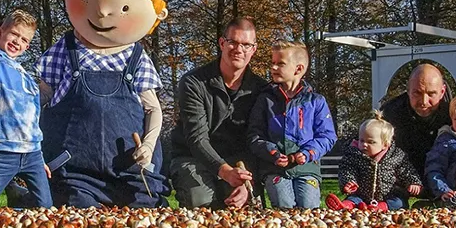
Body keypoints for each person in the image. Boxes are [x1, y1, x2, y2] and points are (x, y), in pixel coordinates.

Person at [38, 0, 180, 207]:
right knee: (75, 218)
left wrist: (149, 146)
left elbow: (153, 109)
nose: (102, 12)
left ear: (157, 13)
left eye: (125, 5)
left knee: (145, 217)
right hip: (73, 171)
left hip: (132, 171)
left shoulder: (137, 59)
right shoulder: (64, 51)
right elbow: (41, 98)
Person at [169, 18, 269, 208]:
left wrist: (248, 183)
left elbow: (257, 141)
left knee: (246, 206)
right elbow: (197, 138)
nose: (239, 49)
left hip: (239, 162)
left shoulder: (261, 89)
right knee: (201, 203)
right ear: (222, 43)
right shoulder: (193, 83)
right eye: (233, 42)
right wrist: (225, 173)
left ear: (253, 49)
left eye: (246, 45)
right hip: (192, 157)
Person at [0, 7, 52, 208]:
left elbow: (33, 117)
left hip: (32, 153)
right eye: (14, 34)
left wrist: (41, 157)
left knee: (45, 208)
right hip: (4, 151)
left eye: (24, 40)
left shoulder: (27, 77)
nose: (17, 41)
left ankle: (18, 197)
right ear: (0, 33)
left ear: (28, 47)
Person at [247, 41, 335, 209]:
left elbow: (327, 136)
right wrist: (271, 152)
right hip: (275, 168)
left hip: (307, 167)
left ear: (298, 69)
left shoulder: (316, 101)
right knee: (283, 204)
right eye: (272, 63)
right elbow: (255, 135)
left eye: (280, 64)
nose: (273, 68)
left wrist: (309, 152)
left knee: (309, 206)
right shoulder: (265, 100)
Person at [326, 111, 423, 210]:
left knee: (399, 202)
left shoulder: (395, 156)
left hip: (388, 195)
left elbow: (406, 171)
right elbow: (346, 170)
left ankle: (379, 207)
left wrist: (414, 182)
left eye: (371, 142)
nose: (364, 145)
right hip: (362, 195)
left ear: (385, 144)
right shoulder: (354, 156)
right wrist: (348, 182)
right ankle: (345, 206)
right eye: (361, 140)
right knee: (353, 199)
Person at [379, 63, 453, 173]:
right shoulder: (389, 115)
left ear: (442, 92)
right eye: (417, 93)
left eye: (431, 94)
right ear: (408, 90)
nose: (424, 101)